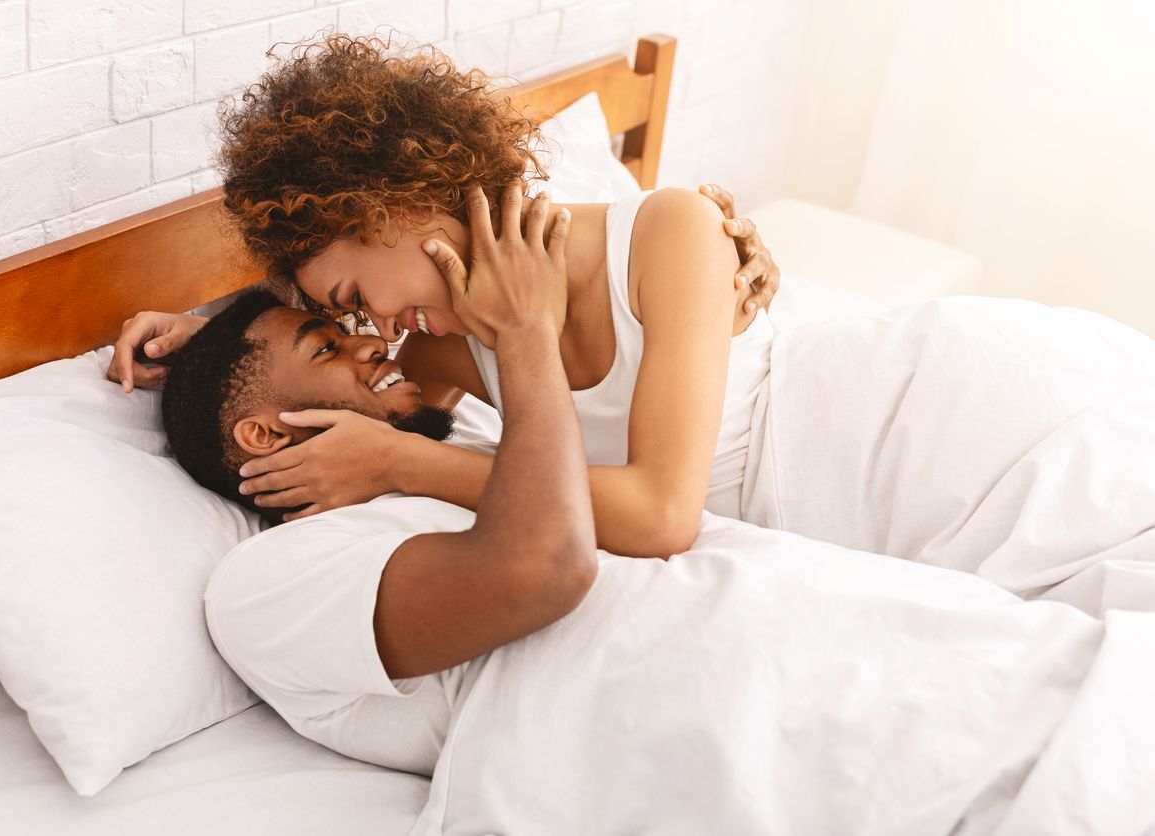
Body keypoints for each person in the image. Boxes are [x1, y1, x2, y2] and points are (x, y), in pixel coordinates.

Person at [172, 191, 1155, 836]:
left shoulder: (458, 439)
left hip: (844, 595)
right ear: (262, 436)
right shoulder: (265, 582)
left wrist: (202, 326)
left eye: (350, 315)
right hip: (714, 690)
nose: (368, 341)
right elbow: (545, 564)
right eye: (327, 337)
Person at [114, 34, 783, 558]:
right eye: (348, 317)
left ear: (389, 206)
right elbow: (315, 395)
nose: (375, 327)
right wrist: (205, 339)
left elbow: (660, 517)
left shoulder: (673, 231)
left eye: (353, 295)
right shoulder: (436, 355)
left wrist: (409, 462)